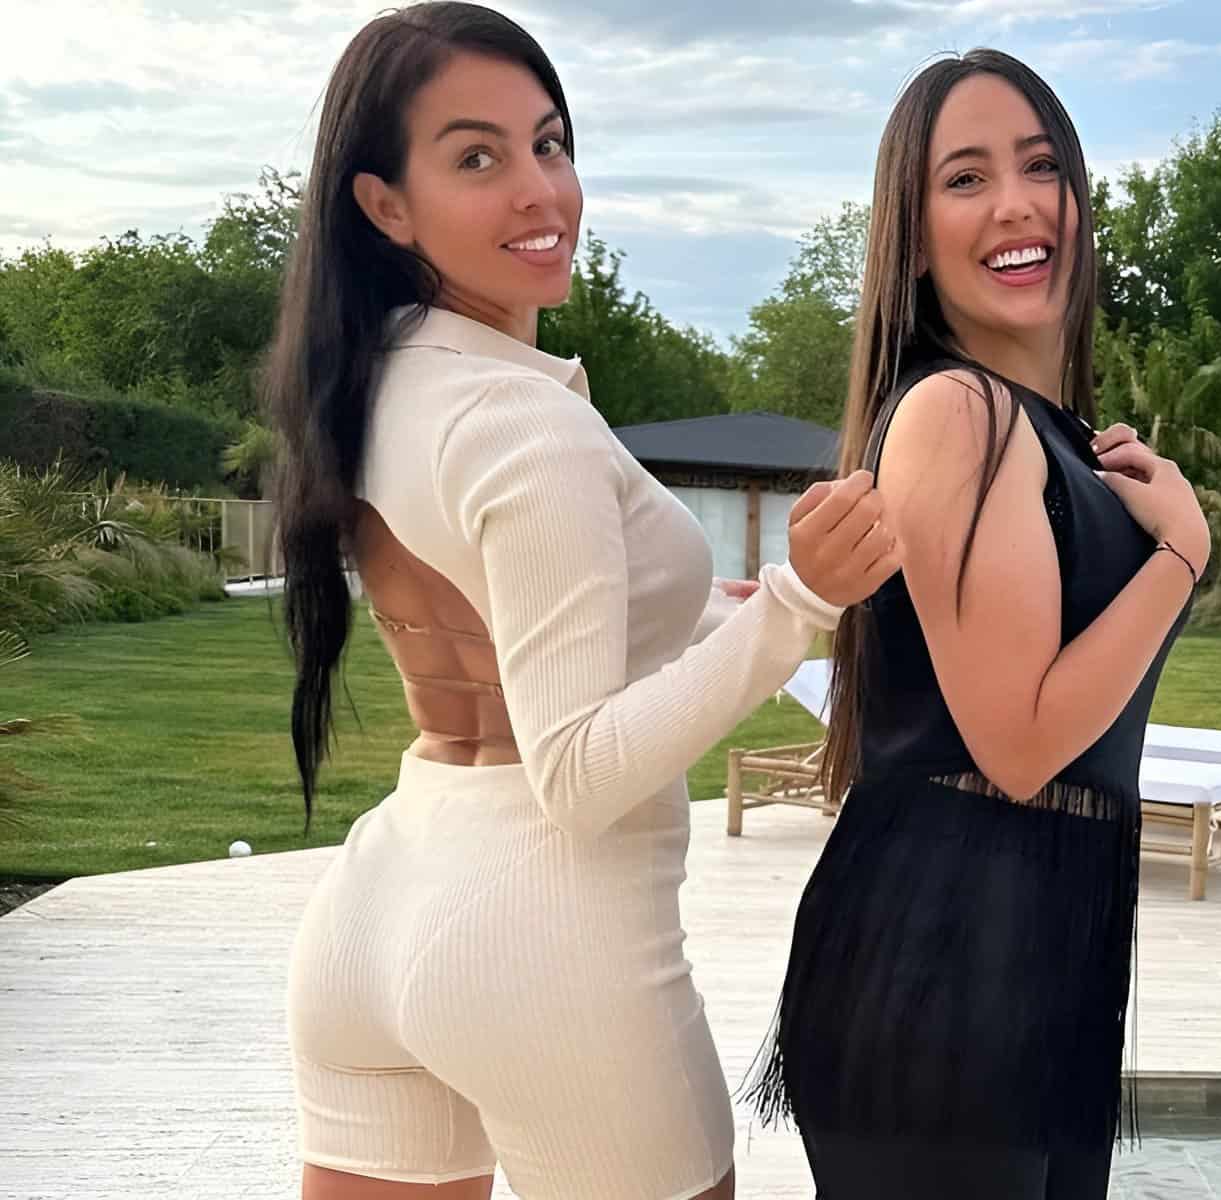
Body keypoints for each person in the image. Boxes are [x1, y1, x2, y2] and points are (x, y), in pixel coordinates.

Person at [267, 6, 898, 1198]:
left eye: (548, 143)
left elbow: (509, 623)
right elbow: (577, 772)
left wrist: (725, 613)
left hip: (376, 910)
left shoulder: (376, 381)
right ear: (385, 205)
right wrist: (795, 600)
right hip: (544, 936)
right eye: (477, 157)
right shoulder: (523, 421)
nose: (540, 190)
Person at [745, 50, 1209, 1199]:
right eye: (965, 178)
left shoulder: (1050, 431)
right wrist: (1182, 557)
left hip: (1038, 951)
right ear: (912, 239)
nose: (1014, 202)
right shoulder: (958, 412)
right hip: (944, 962)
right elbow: (1019, 745)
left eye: (1040, 166)